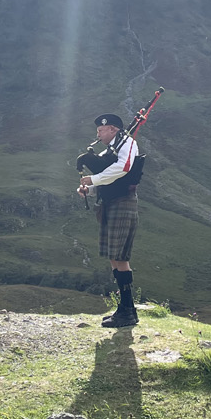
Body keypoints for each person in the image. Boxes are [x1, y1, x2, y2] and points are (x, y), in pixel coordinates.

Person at [77, 113, 141, 328]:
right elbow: (109, 179)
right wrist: (92, 189)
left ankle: (128, 311)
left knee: (120, 255)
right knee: (114, 256)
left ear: (113, 129)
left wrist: (93, 179)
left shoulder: (128, 144)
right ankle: (126, 309)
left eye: (101, 130)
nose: (98, 133)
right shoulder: (109, 150)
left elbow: (123, 169)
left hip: (123, 203)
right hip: (111, 203)